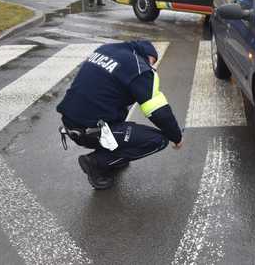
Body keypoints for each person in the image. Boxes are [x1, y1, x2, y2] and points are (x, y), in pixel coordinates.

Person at [57, 40, 183, 190]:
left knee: (119, 105)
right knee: (158, 140)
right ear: (145, 55)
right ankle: (97, 162)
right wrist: (176, 137)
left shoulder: (106, 49)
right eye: (152, 62)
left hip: (70, 124)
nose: (151, 66)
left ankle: (114, 156)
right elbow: (158, 111)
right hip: (92, 131)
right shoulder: (138, 68)